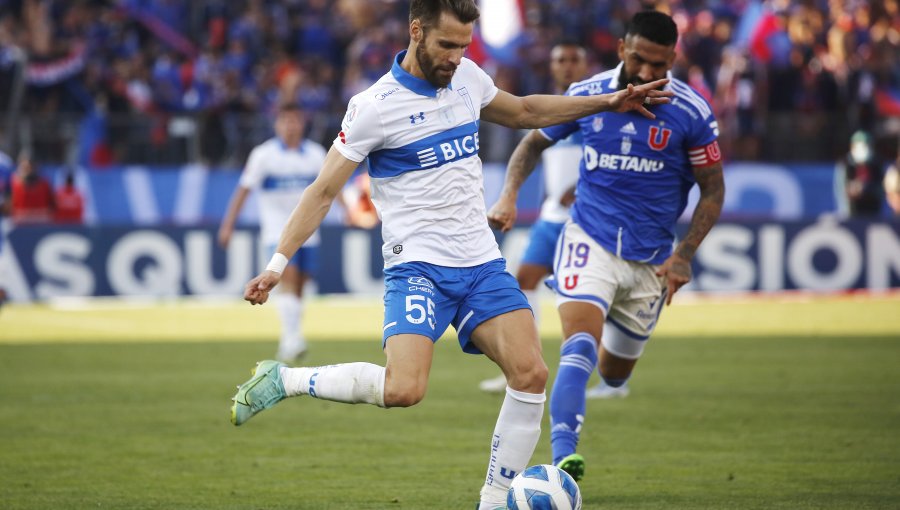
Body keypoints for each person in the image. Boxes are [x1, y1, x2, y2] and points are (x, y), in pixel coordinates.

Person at [229, 1, 672, 508]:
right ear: (416, 32)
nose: (456, 57)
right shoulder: (375, 105)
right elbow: (323, 191)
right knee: (404, 389)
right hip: (418, 268)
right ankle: (284, 379)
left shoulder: (468, 79)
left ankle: (493, 500)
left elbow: (526, 110)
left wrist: (608, 102)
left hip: (481, 265)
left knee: (531, 374)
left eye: (464, 46)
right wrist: (275, 265)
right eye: (446, 45)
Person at [487, 10, 725, 482]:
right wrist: (509, 194)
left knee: (614, 372)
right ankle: (563, 461)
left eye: (658, 65)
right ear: (621, 49)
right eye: (638, 60)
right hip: (589, 237)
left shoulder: (691, 111)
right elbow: (532, 142)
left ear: (672, 59)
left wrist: (684, 256)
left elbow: (713, 190)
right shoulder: (589, 94)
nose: (645, 73)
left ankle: (610, 375)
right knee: (578, 345)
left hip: (652, 259)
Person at [477, 43, 629, 400]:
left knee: (600, 293)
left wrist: (581, 186)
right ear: (552, 65)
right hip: (552, 216)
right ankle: (522, 367)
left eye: (574, 58)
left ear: (586, 62)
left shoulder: (600, 107)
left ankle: (612, 379)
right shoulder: (549, 110)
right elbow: (533, 151)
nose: (566, 65)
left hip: (589, 218)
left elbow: (617, 155)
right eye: (560, 59)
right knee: (523, 281)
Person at [219, 102, 331, 364]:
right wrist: (228, 225)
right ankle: (293, 339)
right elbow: (243, 191)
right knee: (287, 279)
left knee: (300, 286)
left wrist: (349, 209)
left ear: (302, 123)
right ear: (277, 124)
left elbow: (329, 187)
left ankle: (289, 339)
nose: (291, 126)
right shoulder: (263, 155)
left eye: (296, 120)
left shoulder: (315, 154)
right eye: (286, 120)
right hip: (276, 232)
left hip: (309, 231)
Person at [835, 130, 884, 217]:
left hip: (873, 211)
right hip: (852, 212)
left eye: (866, 145)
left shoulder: (877, 163)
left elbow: (881, 189)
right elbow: (841, 191)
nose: (862, 149)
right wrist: (852, 190)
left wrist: (866, 188)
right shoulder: (845, 164)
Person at [10, 153, 55, 225]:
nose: (29, 170)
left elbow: (52, 206)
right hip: (19, 226)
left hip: (40, 225)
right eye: (26, 167)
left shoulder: (45, 184)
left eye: (31, 166)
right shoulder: (13, 183)